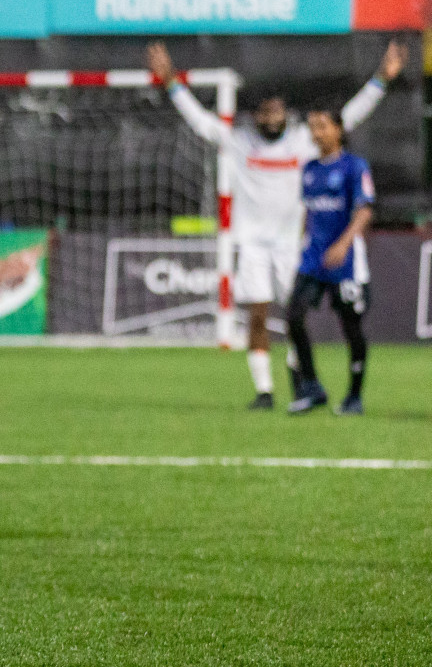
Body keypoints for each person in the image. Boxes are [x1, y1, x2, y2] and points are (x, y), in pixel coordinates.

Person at [147, 41, 402, 409]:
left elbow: (348, 117)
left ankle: (302, 383)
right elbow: (200, 121)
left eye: (276, 111)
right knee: (258, 315)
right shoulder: (238, 141)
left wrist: (381, 78)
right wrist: (171, 81)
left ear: (285, 113)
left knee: (297, 319)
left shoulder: (303, 142)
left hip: (293, 245)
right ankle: (265, 391)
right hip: (251, 243)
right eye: (263, 113)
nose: (270, 118)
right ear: (254, 116)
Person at [286, 110, 376, 415]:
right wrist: (300, 243)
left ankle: (354, 396)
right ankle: (311, 386)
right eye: (312, 127)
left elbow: (364, 210)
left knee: (351, 328)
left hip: (347, 261)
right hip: (313, 260)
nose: (316, 133)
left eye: (322, 126)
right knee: (293, 316)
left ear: (338, 129)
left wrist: (343, 243)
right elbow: (308, 211)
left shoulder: (354, 166)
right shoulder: (309, 169)